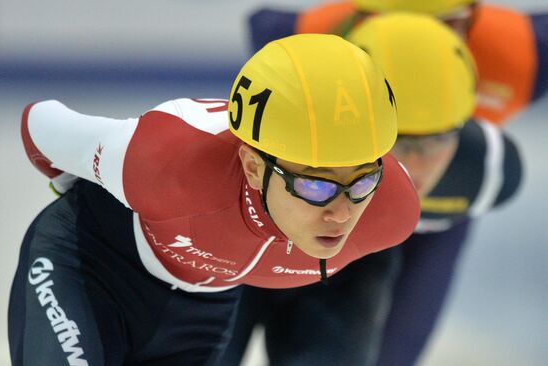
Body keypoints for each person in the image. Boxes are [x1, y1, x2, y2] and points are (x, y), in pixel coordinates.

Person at [7, 34, 420, 366]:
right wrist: (74, 195)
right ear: (254, 168)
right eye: (316, 186)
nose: (343, 212)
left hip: (199, 315)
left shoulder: (390, 212)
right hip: (90, 268)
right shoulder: (165, 165)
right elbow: (39, 123)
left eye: (363, 182)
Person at [221, 13, 523, 366]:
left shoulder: (482, 173)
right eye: (399, 141)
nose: (417, 166)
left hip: (364, 253)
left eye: (439, 138)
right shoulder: (286, 103)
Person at [247, 0, 548, 124]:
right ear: (358, 17)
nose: (416, 48)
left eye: (441, 27)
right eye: (391, 27)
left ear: (471, 17)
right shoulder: (304, 39)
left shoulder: (528, 52)